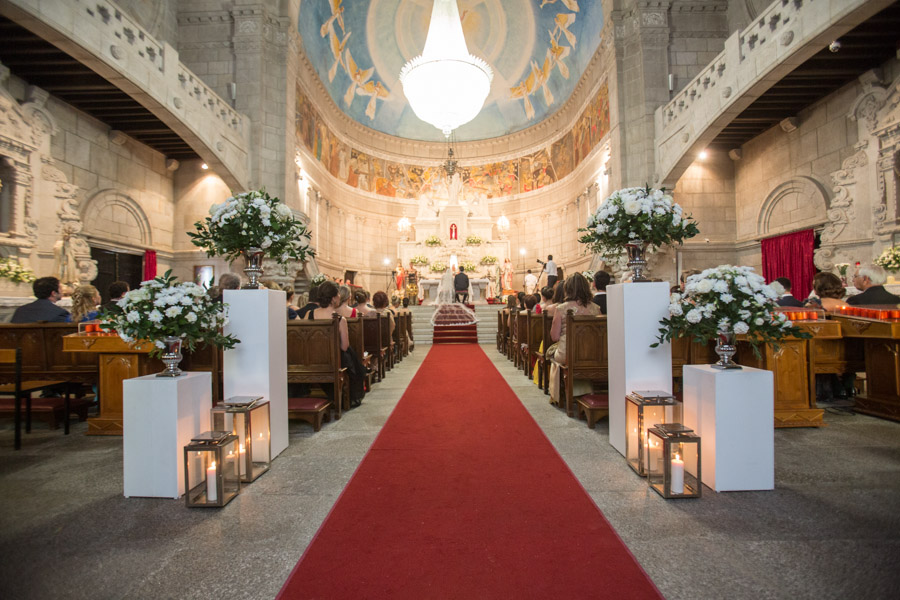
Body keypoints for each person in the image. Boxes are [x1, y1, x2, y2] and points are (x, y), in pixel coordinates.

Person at [309, 281, 365, 406]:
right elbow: (344, 346)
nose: (339, 297)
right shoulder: (339, 319)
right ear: (333, 298)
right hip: (332, 360)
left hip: (313, 358)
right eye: (338, 295)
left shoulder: (310, 314)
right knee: (354, 363)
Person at [548, 274, 601, 406]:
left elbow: (554, 337)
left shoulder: (561, 309)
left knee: (552, 355)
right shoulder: (596, 308)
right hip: (591, 354)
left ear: (568, 289)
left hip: (568, 354)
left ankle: (559, 394)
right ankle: (584, 390)